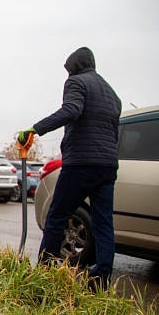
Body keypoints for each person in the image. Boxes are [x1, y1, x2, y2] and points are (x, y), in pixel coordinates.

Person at [18, 47, 121, 292]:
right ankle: (100, 278)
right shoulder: (112, 94)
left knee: (57, 216)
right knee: (103, 223)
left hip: (80, 164)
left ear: (74, 67)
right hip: (107, 166)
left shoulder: (77, 82)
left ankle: (43, 271)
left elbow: (71, 111)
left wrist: (35, 129)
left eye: (68, 70)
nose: (68, 75)